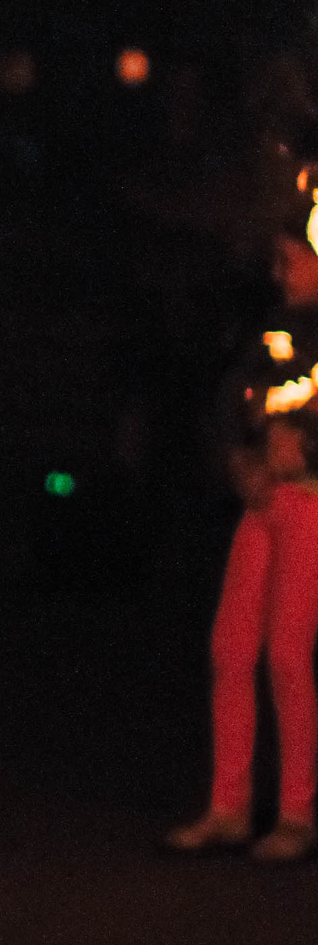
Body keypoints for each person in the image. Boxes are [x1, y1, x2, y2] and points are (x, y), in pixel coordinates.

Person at [168, 213, 318, 862]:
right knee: (232, 647)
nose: (280, 271)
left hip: (311, 501)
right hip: (262, 501)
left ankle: (296, 812)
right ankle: (228, 806)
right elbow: (227, 402)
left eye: (293, 258)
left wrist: (308, 445)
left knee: (287, 654)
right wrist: (240, 460)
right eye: (278, 259)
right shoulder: (269, 331)